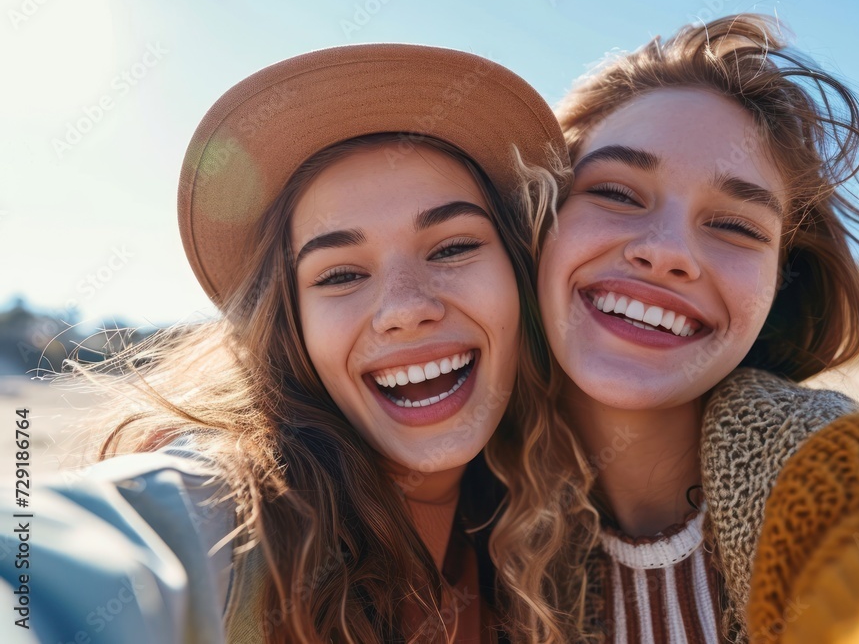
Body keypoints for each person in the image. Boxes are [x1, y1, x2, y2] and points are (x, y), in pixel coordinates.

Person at [0, 44, 591, 643]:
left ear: (520, 275)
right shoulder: (235, 514)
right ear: (292, 326)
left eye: (453, 247)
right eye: (340, 275)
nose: (407, 308)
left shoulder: (554, 522)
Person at [534, 14, 859, 643]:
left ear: (781, 280)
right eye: (616, 192)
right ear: (539, 221)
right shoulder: (457, 508)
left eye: (735, 226)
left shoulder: (834, 474)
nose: (668, 251)